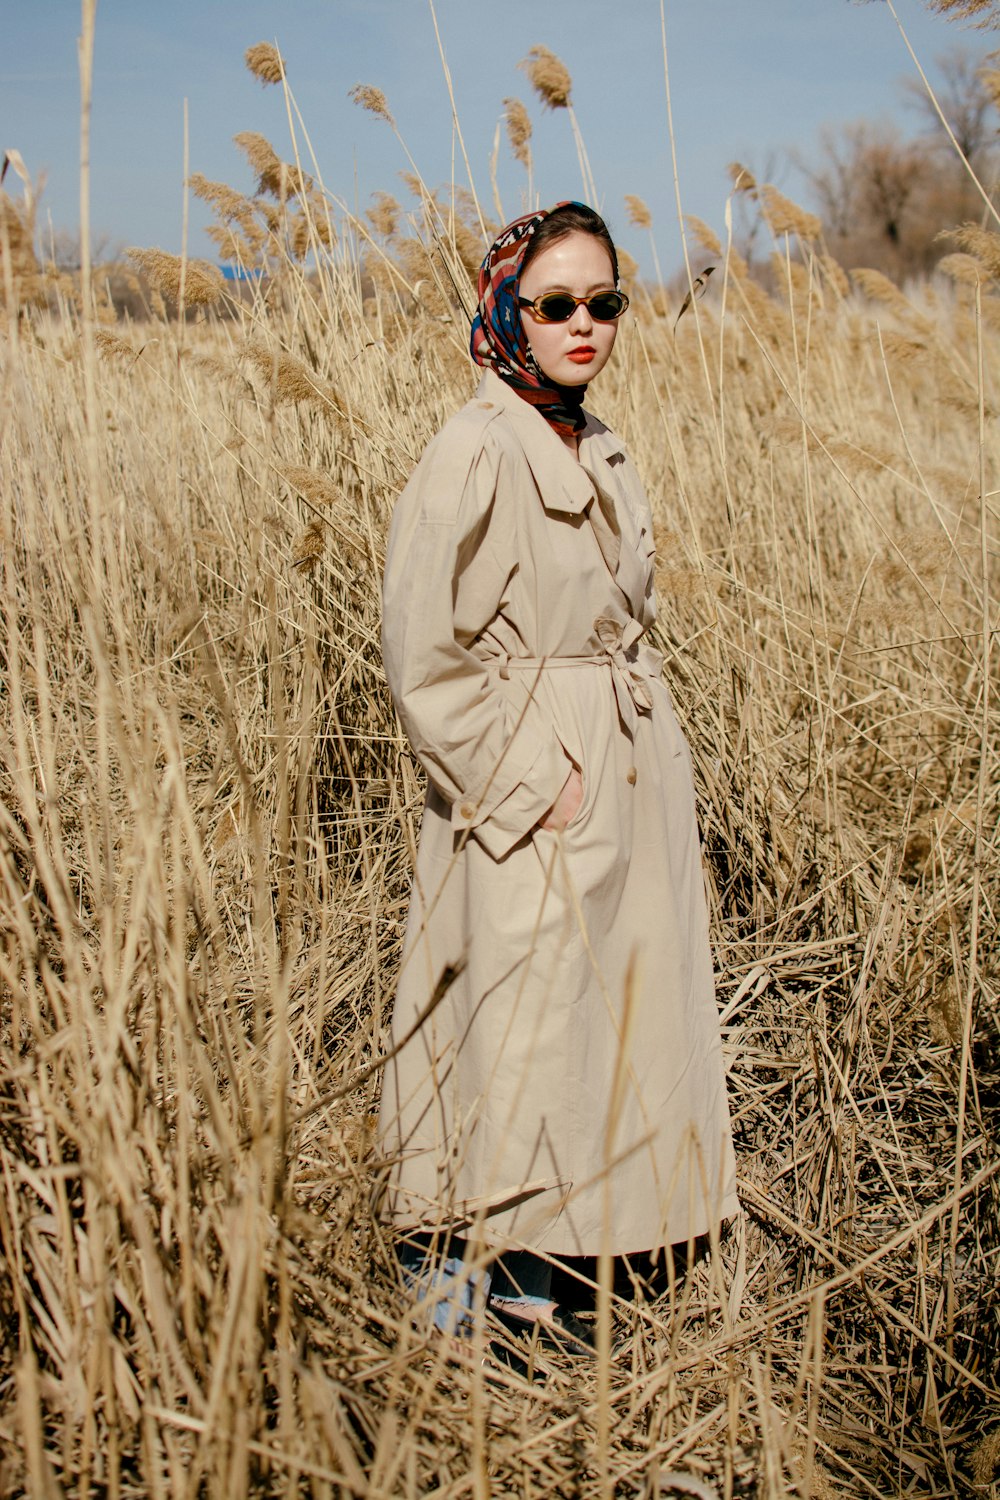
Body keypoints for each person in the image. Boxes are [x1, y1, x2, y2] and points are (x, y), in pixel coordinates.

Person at [378, 201, 738, 1354]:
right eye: (554, 304)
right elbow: (419, 650)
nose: (584, 325)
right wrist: (529, 781)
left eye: (604, 302)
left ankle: (562, 1251)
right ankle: (468, 1264)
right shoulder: (475, 447)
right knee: (510, 1019)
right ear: (505, 313)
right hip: (530, 771)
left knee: (592, 1021)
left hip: (621, 758)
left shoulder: (593, 439)